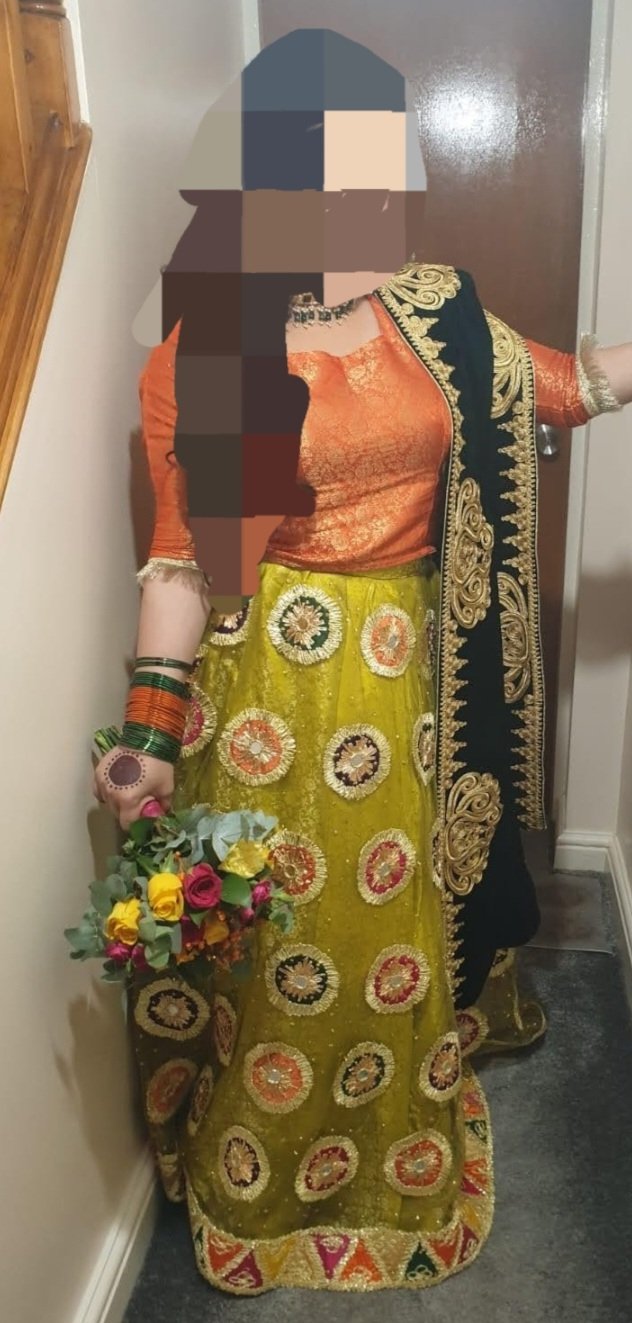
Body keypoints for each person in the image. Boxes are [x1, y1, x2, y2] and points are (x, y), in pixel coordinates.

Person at [93, 30, 630, 1296]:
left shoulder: (434, 310)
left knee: (400, 914)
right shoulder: (211, 347)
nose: (380, 196)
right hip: (272, 690)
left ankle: (397, 1146)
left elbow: (558, 387)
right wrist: (149, 736)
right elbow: (181, 563)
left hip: (420, 671)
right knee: (287, 931)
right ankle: (273, 1166)